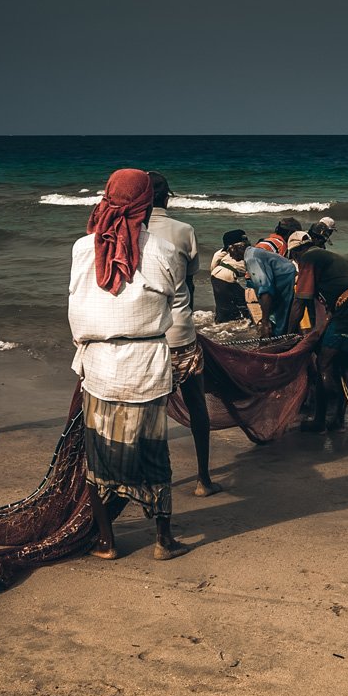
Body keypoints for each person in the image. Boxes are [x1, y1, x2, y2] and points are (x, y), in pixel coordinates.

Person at [68, 168, 190, 561]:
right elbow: (172, 296)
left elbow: (75, 306)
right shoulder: (164, 250)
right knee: (154, 452)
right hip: (146, 366)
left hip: (99, 364)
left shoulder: (83, 248)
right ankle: (163, 540)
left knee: (97, 454)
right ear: (148, 201)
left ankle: (106, 541)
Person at [146, 172, 221, 497]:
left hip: (143, 337)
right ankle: (203, 480)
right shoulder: (183, 230)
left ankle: (151, 481)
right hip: (179, 334)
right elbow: (188, 282)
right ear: (168, 198)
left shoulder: (124, 232)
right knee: (195, 403)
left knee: (151, 412)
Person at [289, 231, 348, 431]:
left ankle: (320, 421)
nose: (295, 261)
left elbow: (300, 302)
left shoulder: (308, 258)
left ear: (297, 251)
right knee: (341, 367)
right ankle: (337, 420)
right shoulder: (329, 257)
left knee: (324, 364)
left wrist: (288, 336)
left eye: (293, 256)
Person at [230, 234, 297, 338]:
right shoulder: (254, 252)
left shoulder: (251, 258)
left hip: (287, 289)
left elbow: (265, 290)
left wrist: (265, 321)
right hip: (285, 286)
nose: (229, 255)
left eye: (229, 250)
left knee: (277, 331)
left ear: (238, 247)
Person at [210, 229, 252, 322]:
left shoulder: (221, 253)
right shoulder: (244, 252)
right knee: (243, 306)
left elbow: (213, 266)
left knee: (223, 306)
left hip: (216, 276)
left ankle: (220, 321)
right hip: (227, 277)